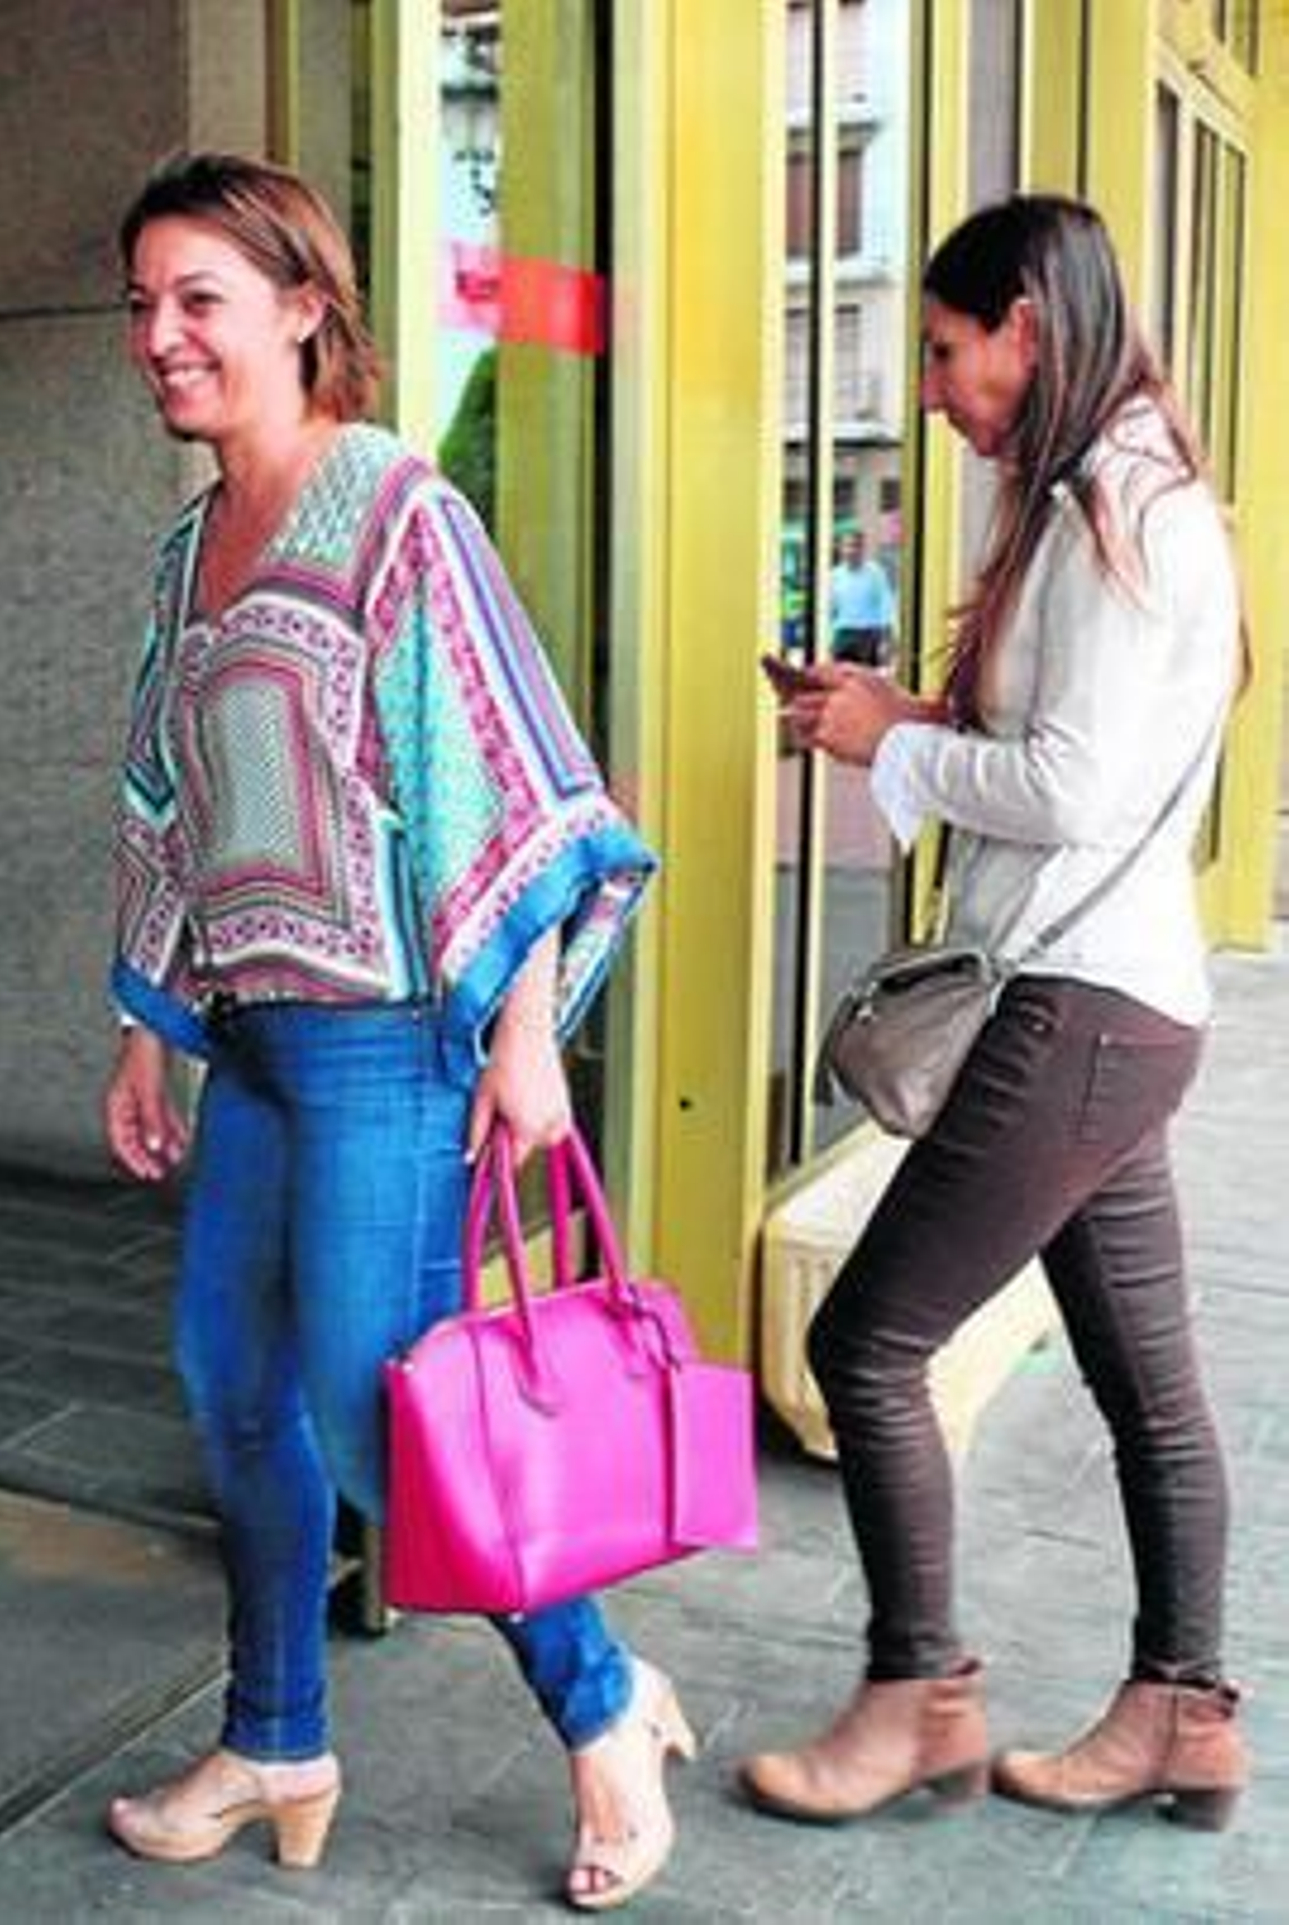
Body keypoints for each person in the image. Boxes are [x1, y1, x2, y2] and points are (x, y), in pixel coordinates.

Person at [100, 152, 689, 1911]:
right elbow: (159, 801)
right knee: (233, 1394)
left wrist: (523, 1035)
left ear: (302, 309)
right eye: (141, 304)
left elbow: (522, 776)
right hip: (251, 1046)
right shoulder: (188, 546)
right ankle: (277, 1733)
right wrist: (146, 1029)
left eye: (198, 298)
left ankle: (602, 1703)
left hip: (386, 1043)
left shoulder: (393, 509)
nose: (160, 337)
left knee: (379, 1417)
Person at [748, 194, 1249, 1828]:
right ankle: (1183, 1714)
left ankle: (918, 1701)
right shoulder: (1110, 499)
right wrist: (893, 716)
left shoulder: (1124, 508)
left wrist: (891, 736)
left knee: (868, 1342)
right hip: (1120, 1003)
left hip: (1078, 1005)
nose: (944, 391)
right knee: (1150, 1385)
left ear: (1026, 330)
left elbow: (1072, 784)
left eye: (952, 353)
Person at [828, 528, 897, 666]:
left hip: (868, 636)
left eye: (856, 546)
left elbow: (886, 607)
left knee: (866, 682)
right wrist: (830, 640)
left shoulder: (876, 573)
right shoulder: (834, 575)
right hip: (843, 635)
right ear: (841, 549)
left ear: (862, 549)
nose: (851, 550)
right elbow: (831, 611)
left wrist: (887, 641)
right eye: (847, 546)